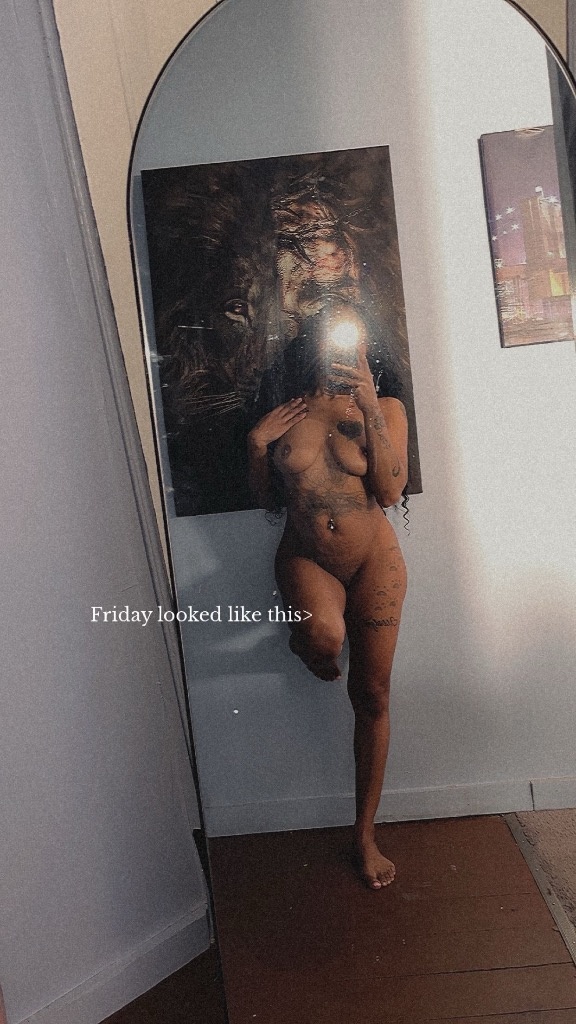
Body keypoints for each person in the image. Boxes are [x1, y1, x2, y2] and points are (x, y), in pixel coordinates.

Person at [247, 302, 408, 890]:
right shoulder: (285, 411)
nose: (345, 348)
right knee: (322, 635)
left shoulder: (386, 407)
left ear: (367, 345)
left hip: (374, 561)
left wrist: (370, 407)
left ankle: (364, 834)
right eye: (336, 336)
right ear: (315, 341)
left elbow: (390, 492)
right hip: (308, 555)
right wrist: (257, 444)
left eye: (356, 337)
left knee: (372, 694)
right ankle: (307, 643)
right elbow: (265, 500)